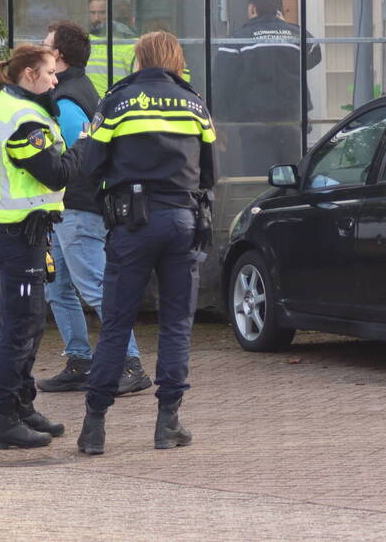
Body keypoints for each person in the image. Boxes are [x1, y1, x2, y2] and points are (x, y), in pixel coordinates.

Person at [77, 31, 216, 455]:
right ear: (176, 58)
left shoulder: (117, 101)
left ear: (139, 59)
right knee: (176, 325)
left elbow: (89, 167)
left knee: (117, 324)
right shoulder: (194, 103)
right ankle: (168, 423)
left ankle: (94, 427)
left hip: (131, 224)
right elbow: (209, 173)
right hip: (182, 221)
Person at [0, 44, 84, 449]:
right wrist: (86, 145)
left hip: (2, 232)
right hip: (17, 236)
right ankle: (4, 419)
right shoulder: (23, 120)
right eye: (50, 73)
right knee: (20, 327)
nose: (55, 80)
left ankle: (22, 406)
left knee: (30, 322)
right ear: (30, 74)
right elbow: (54, 174)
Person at [36, 20, 152, 395]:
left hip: (77, 209)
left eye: (45, 43)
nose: (40, 46)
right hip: (74, 208)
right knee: (60, 288)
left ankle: (130, 364)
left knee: (96, 288)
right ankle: (80, 361)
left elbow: (78, 153)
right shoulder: (84, 89)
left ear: (58, 56)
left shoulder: (66, 97)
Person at [212, 0, 322, 176]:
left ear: (252, 9)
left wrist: (219, 121)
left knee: (260, 180)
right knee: (293, 178)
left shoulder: (238, 39)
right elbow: (314, 56)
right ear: (276, 9)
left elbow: (222, 81)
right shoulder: (295, 35)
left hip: (254, 123)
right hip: (292, 120)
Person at [86, 0, 137, 98]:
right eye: (93, 12)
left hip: (118, 104)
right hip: (90, 105)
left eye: (102, 12)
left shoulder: (133, 44)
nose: (96, 18)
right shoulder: (85, 41)